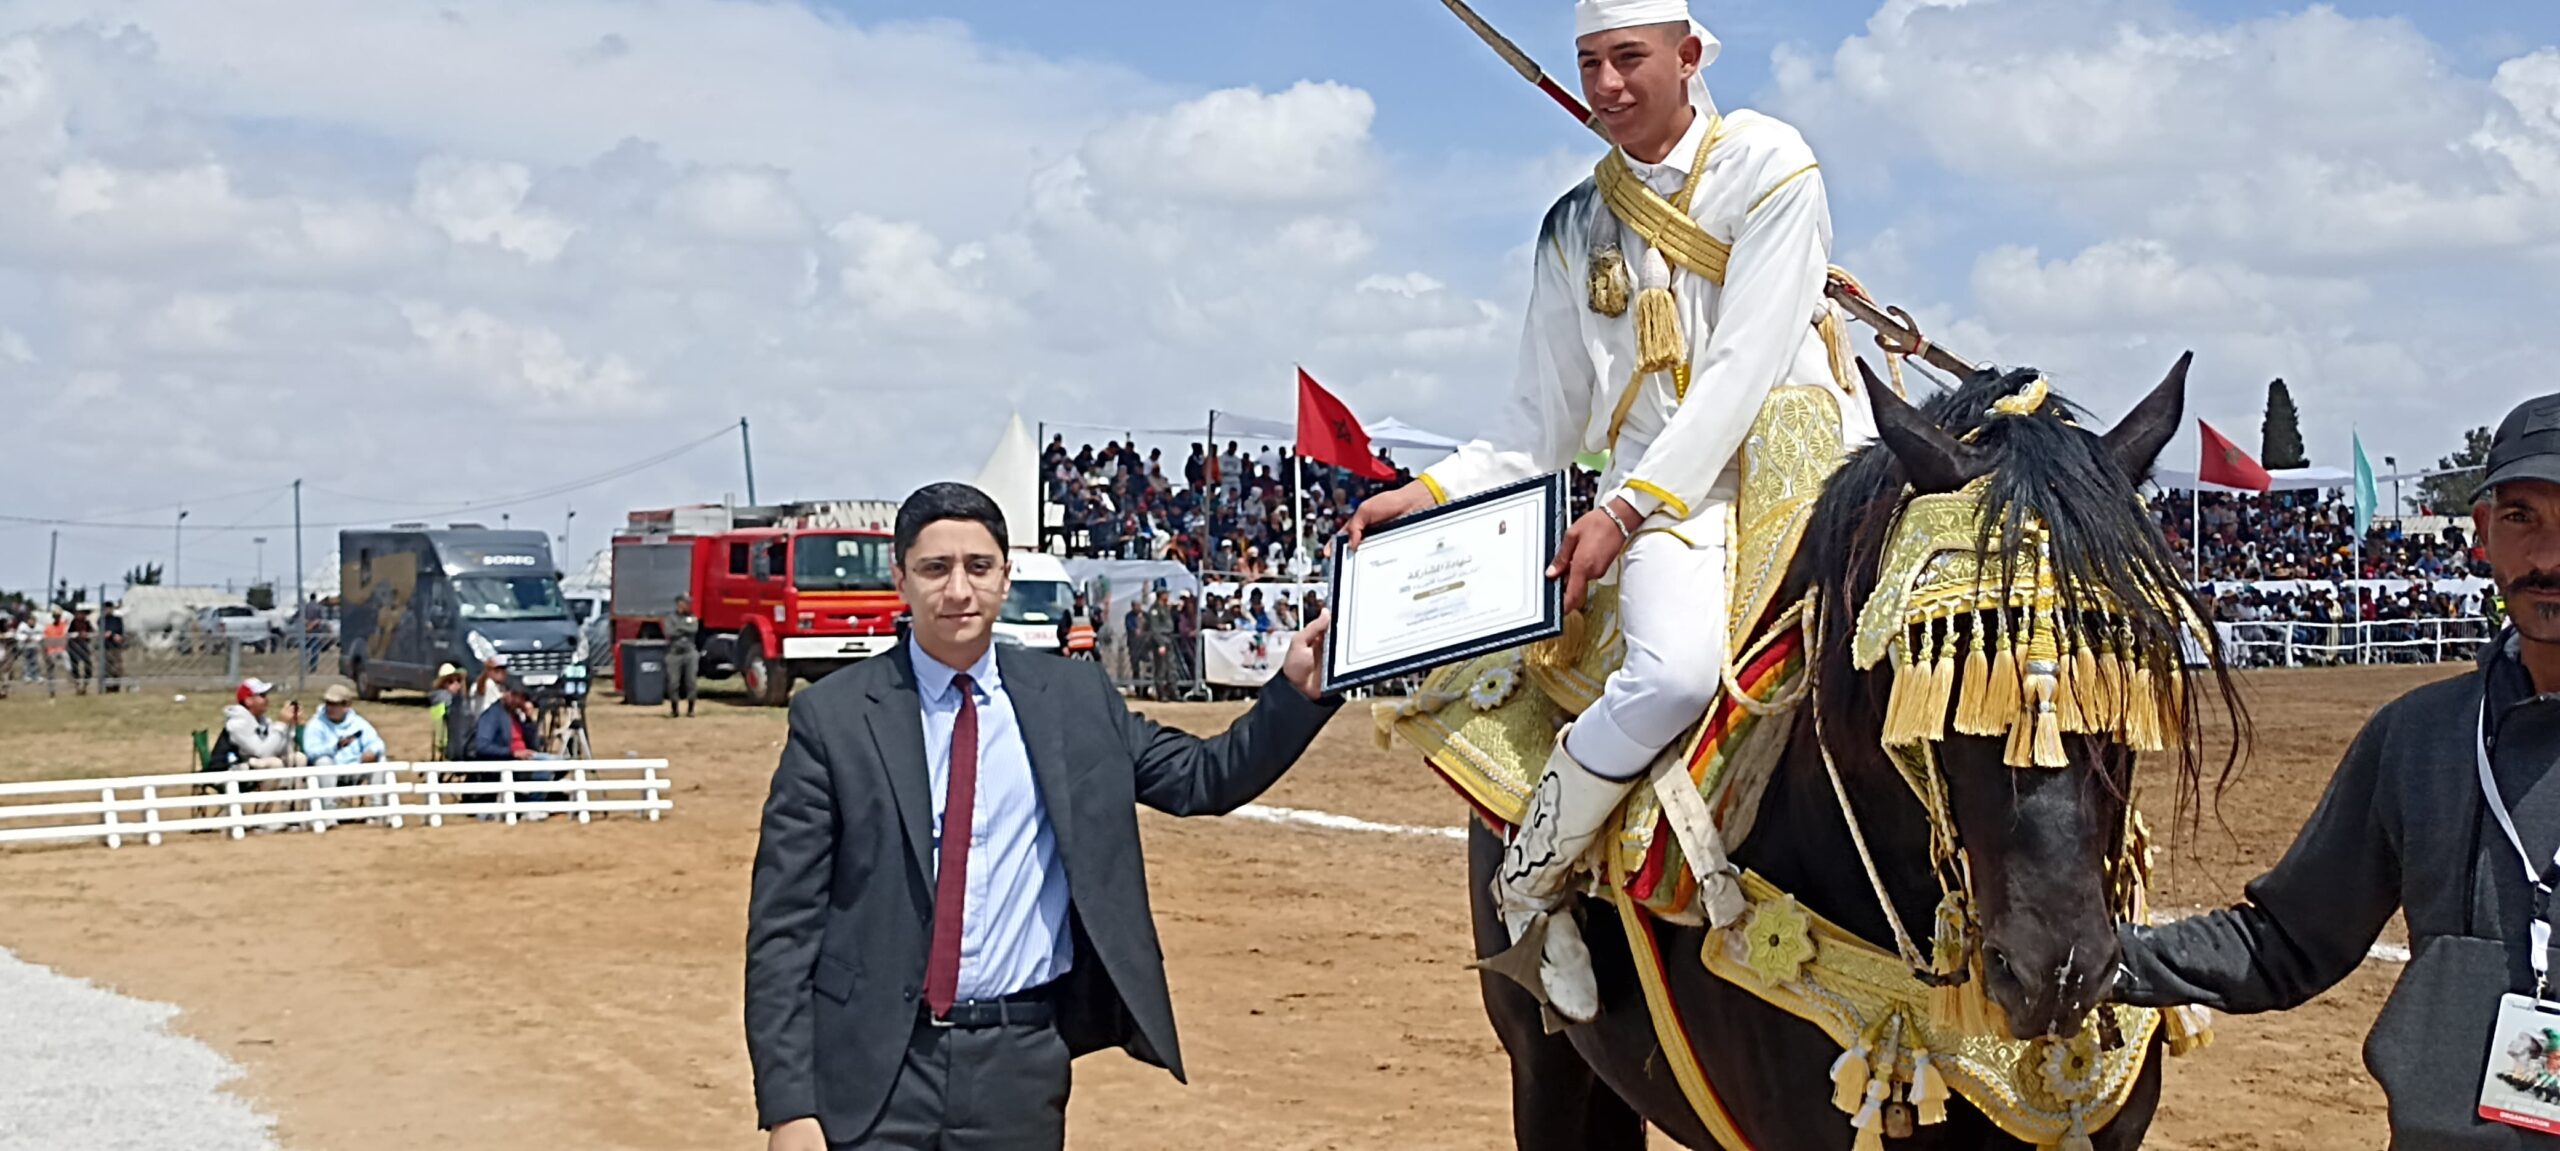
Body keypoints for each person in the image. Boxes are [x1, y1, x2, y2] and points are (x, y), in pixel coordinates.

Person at [1341, 0, 1852, 1021]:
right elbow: (1539, 422)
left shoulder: (1771, 164)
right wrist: (1429, 491)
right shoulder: (1573, 225)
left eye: (1628, 58)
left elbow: (1746, 364)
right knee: (1672, 676)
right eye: (1589, 63)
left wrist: (1620, 507)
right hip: (1670, 504)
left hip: (1808, 471)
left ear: (1689, 55)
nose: (1607, 85)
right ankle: (1531, 875)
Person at [745, 482, 1338, 1151]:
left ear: (1005, 576)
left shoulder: (1074, 697)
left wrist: (1295, 694)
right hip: (870, 1068)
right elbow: (784, 928)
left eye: (978, 566)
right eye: (935, 568)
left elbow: (1205, 776)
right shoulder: (834, 717)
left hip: (1019, 1068)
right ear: (900, 579)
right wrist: (789, 1106)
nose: (958, 590)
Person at [2116, 392, 2560, 1148]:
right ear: (2484, 532)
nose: (2547, 557)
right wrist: (2106, 960)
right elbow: (2290, 940)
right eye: (2522, 517)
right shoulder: (2418, 737)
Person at [466, 680, 556, 818]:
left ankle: (532, 802)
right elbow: (482, 746)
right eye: (516, 696)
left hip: (525, 758)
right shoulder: (492, 715)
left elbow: (534, 746)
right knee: (547, 763)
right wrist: (512, 753)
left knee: (559, 762)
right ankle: (533, 806)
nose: (519, 701)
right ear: (506, 694)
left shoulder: (517, 716)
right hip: (505, 760)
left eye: (522, 698)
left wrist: (529, 720)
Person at [301, 683, 388, 802]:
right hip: (330, 770)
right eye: (328, 703)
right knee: (323, 762)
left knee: (381, 760)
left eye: (335, 704)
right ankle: (328, 809)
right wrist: (335, 747)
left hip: (355, 768)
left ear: (346, 705)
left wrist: (371, 751)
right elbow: (311, 751)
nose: (330, 708)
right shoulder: (316, 724)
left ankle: (377, 807)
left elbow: (377, 743)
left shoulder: (358, 723)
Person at [665, 593, 703, 718]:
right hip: (674, 653)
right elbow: (669, 632)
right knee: (673, 682)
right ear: (679, 604)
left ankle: (691, 709)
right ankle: (674, 709)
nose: (688, 605)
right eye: (686, 603)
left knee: (691, 681)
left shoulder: (692, 617)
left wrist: (679, 628)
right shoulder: (670, 617)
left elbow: (694, 629)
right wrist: (684, 628)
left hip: (689, 653)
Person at [427, 663, 473, 761]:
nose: (456, 684)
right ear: (443, 684)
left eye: (458, 680)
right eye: (451, 681)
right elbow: (439, 728)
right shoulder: (441, 701)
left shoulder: (461, 700)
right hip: (449, 748)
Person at [65, 607, 93, 695]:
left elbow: (91, 632)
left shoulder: (87, 623)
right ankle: (77, 686)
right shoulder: (73, 622)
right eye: (79, 613)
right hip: (74, 646)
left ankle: (85, 686)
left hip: (84, 646)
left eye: (83, 613)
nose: (81, 615)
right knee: (75, 666)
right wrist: (77, 634)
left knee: (88, 665)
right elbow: (69, 634)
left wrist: (86, 634)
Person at [100, 603, 125, 694]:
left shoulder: (117, 619)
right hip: (106, 647)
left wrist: (114, 634)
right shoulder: (102, 620)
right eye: (106, 608)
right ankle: (108, 687)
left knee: (117, 668)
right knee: (107, 668)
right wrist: (110, 634)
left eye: (109, 608)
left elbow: (120, 630)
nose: (108, 610)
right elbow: (103, 631)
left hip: (116, 647)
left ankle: (116, 687)